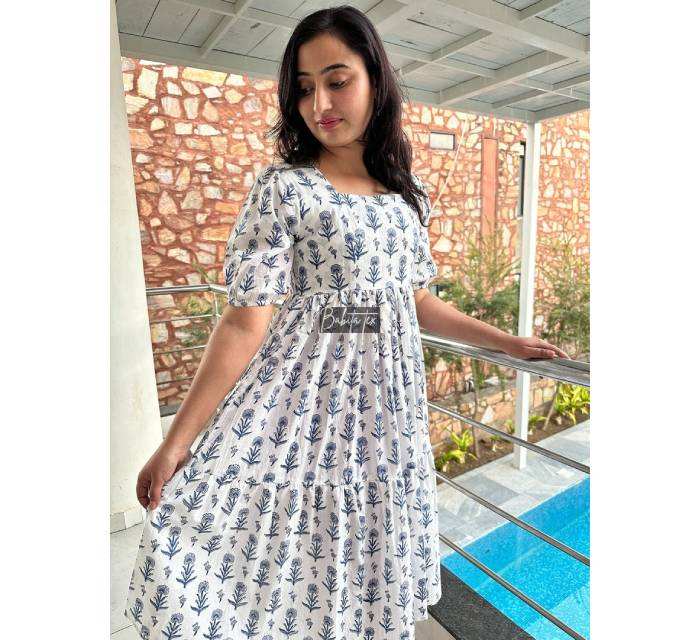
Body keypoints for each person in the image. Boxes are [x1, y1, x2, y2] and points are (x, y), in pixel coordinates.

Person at [124, 6, 569, 640]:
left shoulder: (405, 193)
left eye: (337, 81)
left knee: (363, 552)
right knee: (283, 547)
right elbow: (246, 322)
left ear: (375, 80)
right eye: (304, 88)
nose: (320, 104)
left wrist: (507, 342)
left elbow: (413, 301)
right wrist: (177, 442)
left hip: (387, 411)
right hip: (302, 400)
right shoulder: (285, 188)